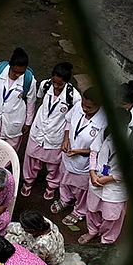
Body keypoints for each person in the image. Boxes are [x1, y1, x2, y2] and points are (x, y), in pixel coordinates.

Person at [80, 108, 133, 245]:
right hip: (97, 179)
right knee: (92, 209)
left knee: (112, 217)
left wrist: (111, 178)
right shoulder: (105, 131)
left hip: (116, 187)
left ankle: (107, 240)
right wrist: (92, 172)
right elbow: (94, 151)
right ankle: (93, 231)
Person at [22, 62, 79, 200]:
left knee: (54, 164)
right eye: (54, 82)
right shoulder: (45, 85)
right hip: (39, 129)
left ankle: (51, 186)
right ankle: (28, 181)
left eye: (59, 84)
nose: (55, 86)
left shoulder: (74, 97)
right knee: (31, 158)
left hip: (55, 135)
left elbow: (71, 120)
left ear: (66, 82)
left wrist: (66, 138)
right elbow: (39, 98)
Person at [51, 88, 107, 227]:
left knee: (81, 188)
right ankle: (65, 198)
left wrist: (79, 151)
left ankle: (80, 210)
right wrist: (66, 139)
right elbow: (68, 121)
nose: (84, 108)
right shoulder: (78, 107)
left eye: (89, 107)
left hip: (85, 162)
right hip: (69, 154)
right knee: (64, 179)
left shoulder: (104, 121)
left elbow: (100, 148)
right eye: (83, 104)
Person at [0, 47, 37, 151]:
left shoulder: (29, 80)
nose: (17, 75)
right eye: (15, 71)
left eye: (21, 72)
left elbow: (31, 102)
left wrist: (28, 123)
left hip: (14, 120)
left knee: (7, 152)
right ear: (10, 65)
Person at [5, 209, 69, 265]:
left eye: (25, 228)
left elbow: (37, 261)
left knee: (8, 239)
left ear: (32, 231)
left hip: (53, 259)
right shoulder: (44, 221)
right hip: (49, 246)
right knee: (10, 226)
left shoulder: (41, 244)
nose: (23, 229)